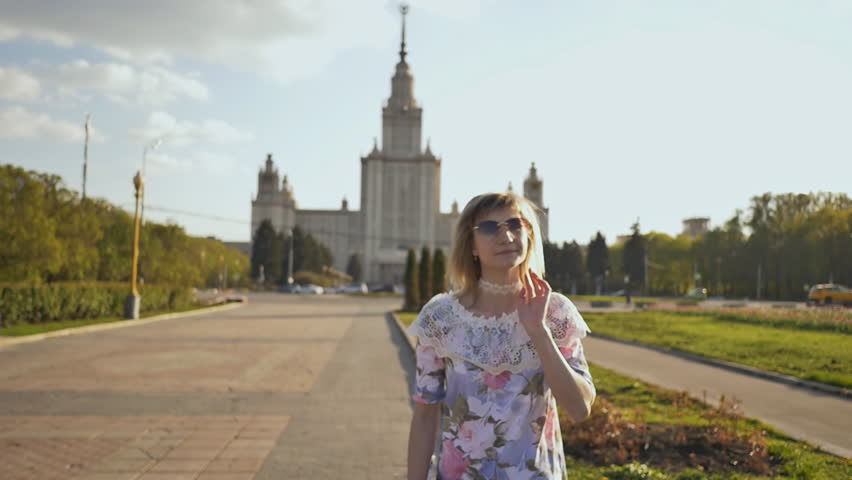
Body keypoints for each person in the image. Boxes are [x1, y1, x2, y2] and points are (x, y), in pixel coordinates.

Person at [406, 192, 596, 480]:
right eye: (489, 228)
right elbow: (424, 416)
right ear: (471, 245)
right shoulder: (440, 317)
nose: (506, 236)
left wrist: (538, 331)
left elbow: (579, 409)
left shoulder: (555, 312)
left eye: (515, 224)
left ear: (529, 234)